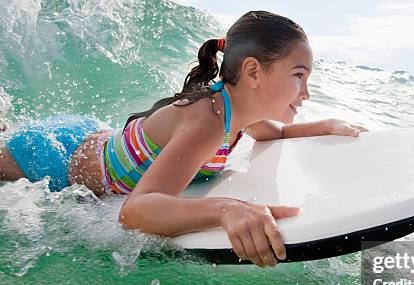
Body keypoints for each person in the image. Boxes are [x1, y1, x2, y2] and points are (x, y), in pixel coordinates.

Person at [0, 10, 368, 267]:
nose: (306, 92)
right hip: (55, 158)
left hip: (93, 138)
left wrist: (326, 125)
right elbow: (135, 212)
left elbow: (279, 131)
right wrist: (228, 209)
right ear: (253, 71)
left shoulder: (239, 113)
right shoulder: (207, 121)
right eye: (299, 76)